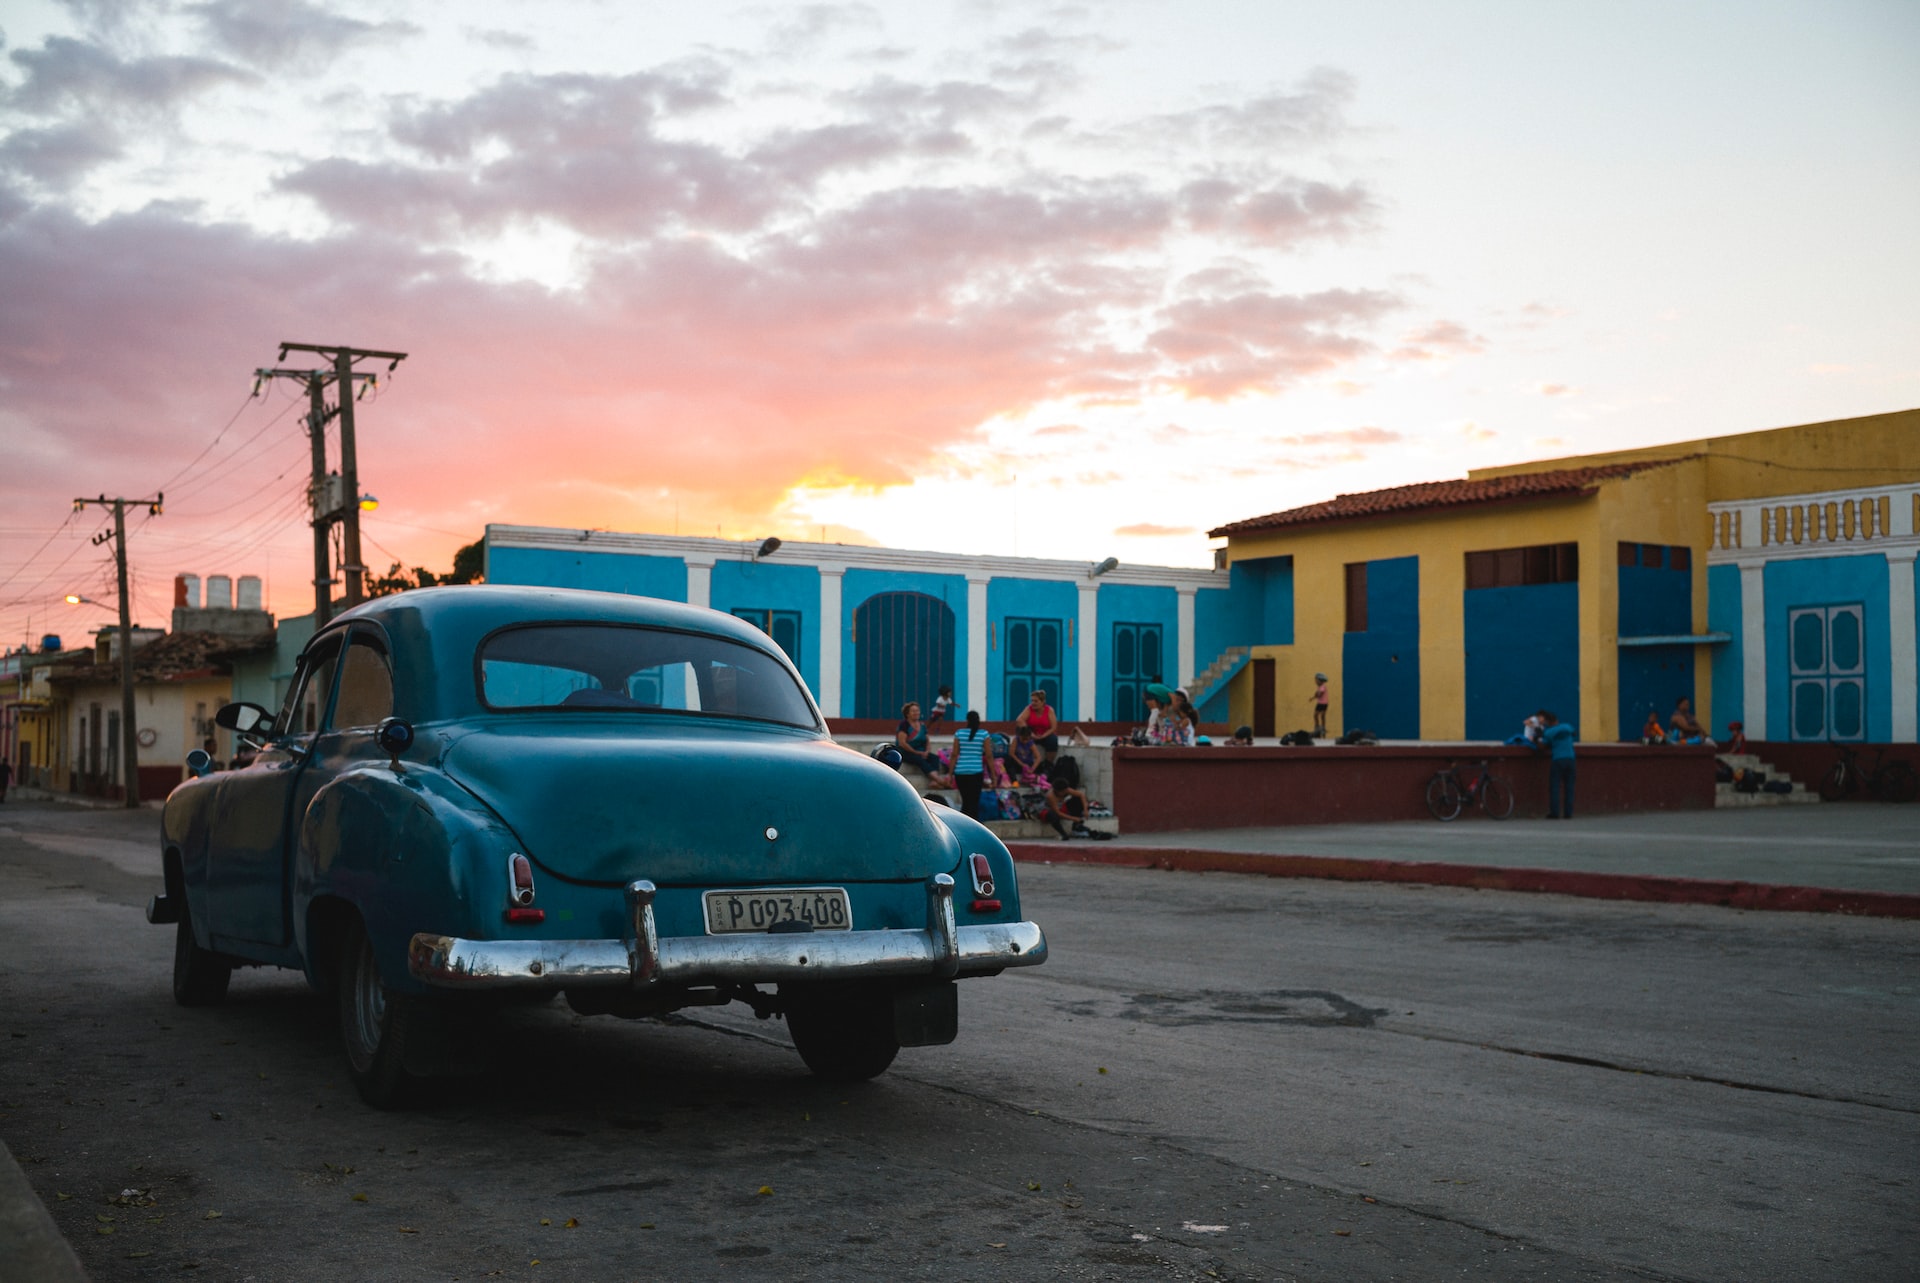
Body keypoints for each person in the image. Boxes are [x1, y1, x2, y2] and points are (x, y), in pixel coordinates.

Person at [948, 710, 994, 820]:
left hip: (960, 772)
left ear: (967, 720)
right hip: (976, 772)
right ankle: (974, 824)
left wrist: (950, 774)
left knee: (966, 801)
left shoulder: (959, 733)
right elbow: (989, 756)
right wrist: (994, 775)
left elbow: (954, 755)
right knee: (974, 802)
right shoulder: (984, 734)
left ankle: (963, 822)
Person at [894, 702, 947, 781]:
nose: (916, 713)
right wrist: (917, 752)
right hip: (906, 752)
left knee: (934, 758)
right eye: (913, 711)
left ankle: (934, 781)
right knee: (920, 760)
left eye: (917, 711)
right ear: (907, 714)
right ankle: (939, 780)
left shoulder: (922, 725)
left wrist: (927, 751)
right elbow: (902, 743)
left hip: (920, 751)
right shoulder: (904, 725)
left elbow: (927, 740)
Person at [1541, 711, 1576, 819]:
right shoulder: (1567, 727)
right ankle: (1568, 813)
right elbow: (1574, 733)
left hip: (1558, 760)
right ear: (1557, 720)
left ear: (1548, 722)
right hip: (1570, 759)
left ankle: (1555, 812)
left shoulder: (1548, 732)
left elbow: (1543, 745)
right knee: (1569, 787)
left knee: (1555, 786)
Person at [1038, 773, 1089, 841]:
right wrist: (1073, 818)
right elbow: (1058, 813)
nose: (1065, 792)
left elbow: (1081, 795)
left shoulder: (1066, 789)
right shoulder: (1050, 796)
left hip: (1061, 807)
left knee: (1077, 800)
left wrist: (1085, 810)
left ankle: (1076, 826)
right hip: (1049, 811)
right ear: (1057, 790)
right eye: (1063, 791)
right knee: (1053, 815)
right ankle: (1063, 834)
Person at [1311, 672, 1329, 738]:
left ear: (1320, 681)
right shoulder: (1320, 687)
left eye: (1316, 680)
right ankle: (1318, 727)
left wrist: (1316, 694)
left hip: (1323, 703)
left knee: (1321, 715)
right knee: (1316, 715)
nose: (1315, 682)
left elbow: (1320, 694)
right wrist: (1313, 698)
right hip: (1320, 703)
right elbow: (1317, 695)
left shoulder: (1322, 687)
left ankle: (1321, 728)